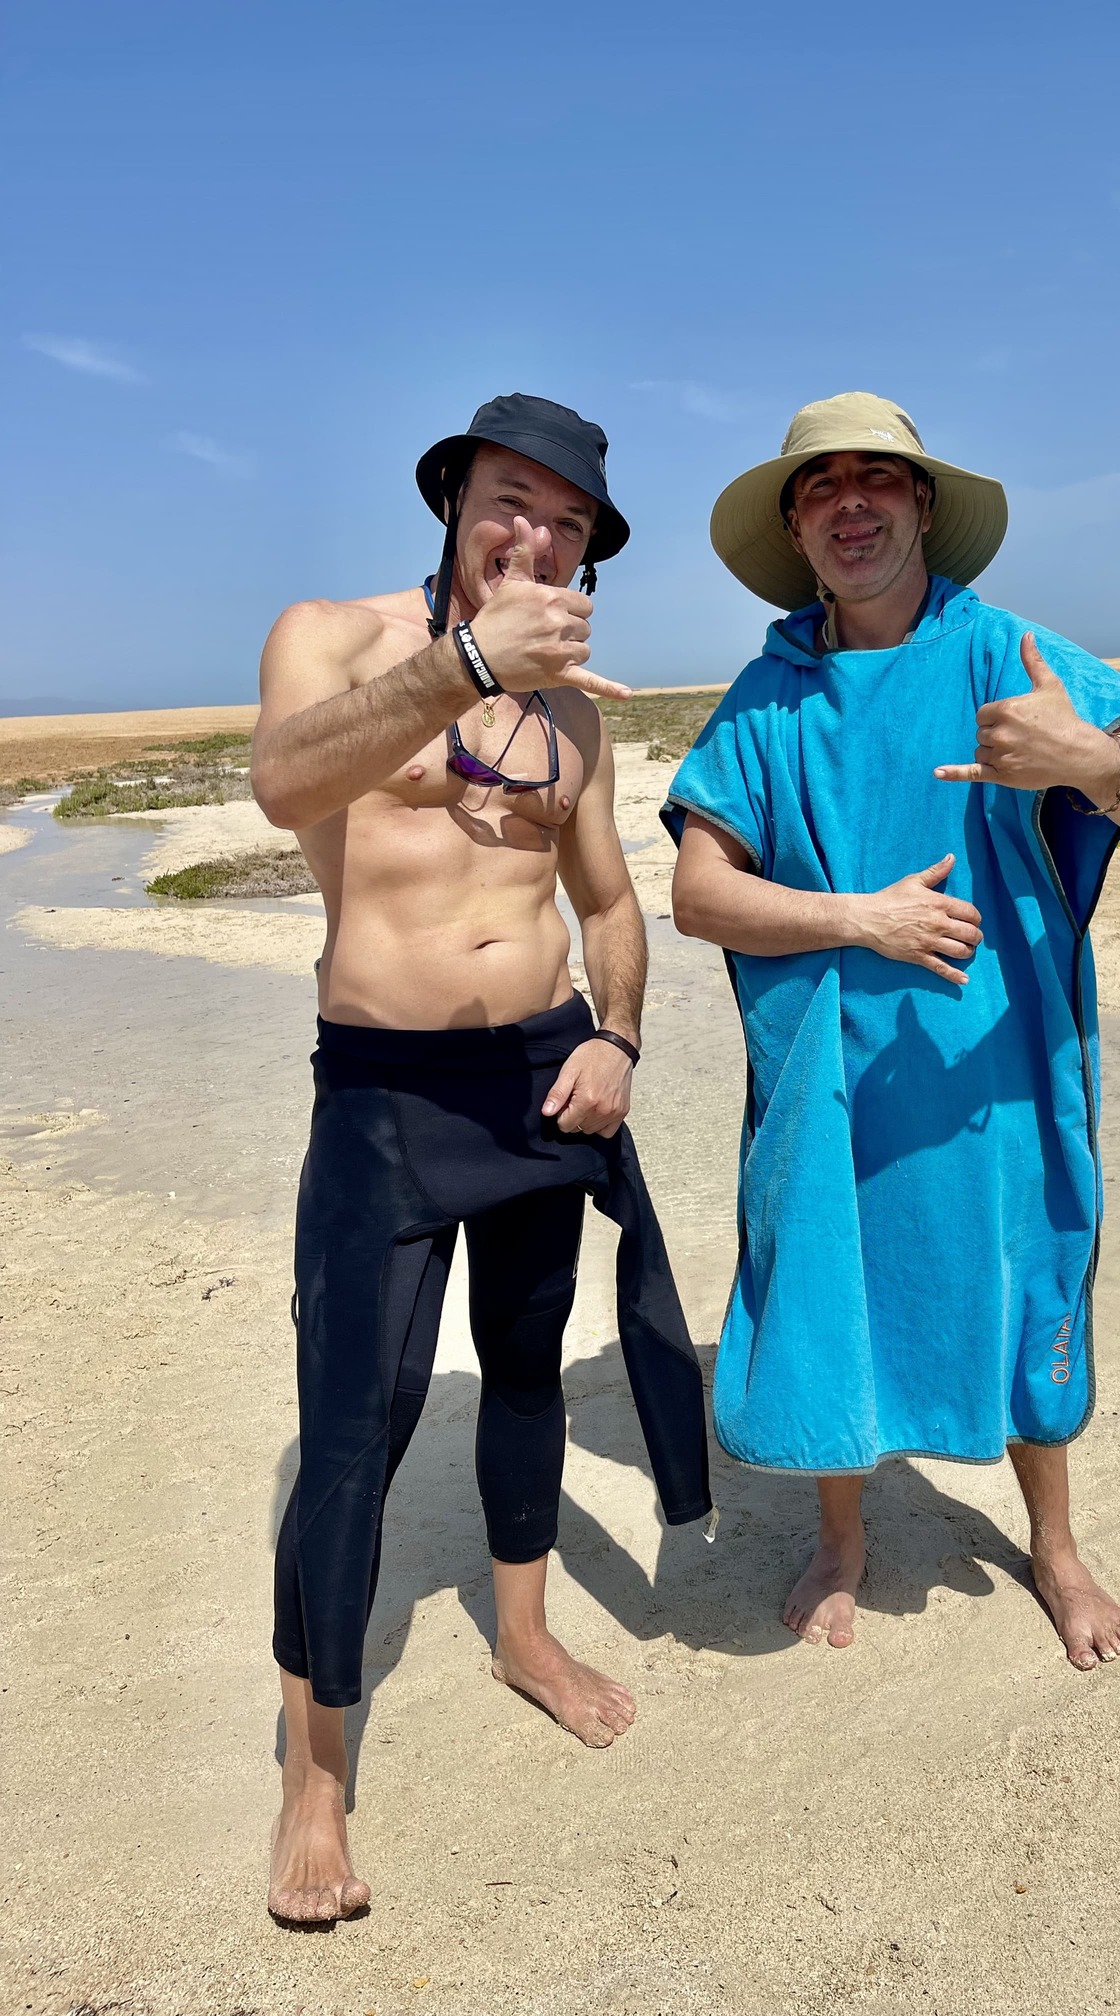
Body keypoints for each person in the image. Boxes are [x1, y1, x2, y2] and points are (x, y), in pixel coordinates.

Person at [251, 394, 711, 1924]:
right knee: (355, 1420)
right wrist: (466, 665)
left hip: (540, 1080)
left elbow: (613, 902)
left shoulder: (576, 717)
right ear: (453, 497)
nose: (541, 538)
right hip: (385, 1087)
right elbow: (284, 783)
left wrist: (618, 1036)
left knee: (524, 1366)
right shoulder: (330, 638)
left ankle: (523, 1637)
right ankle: (316, 1771)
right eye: (515, 501)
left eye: (571, 525)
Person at [664, 392, 1120, 1670]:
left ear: (921, 505)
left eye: (877, 477)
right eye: (820, 484)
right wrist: (860, 920)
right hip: (829, 1072)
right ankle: (842, 1539)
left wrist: (1089, 762)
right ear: (796, 529)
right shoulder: (768, 696)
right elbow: (696, 894)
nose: (849, 501)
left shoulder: (1003, 650)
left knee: (1025, 1268)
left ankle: (1055, 1548)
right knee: (831, 1281)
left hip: (992, 1061)